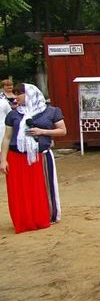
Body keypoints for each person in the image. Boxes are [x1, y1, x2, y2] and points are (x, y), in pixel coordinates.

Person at [0, 83, 66, 234]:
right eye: (15, 94)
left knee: (40, 189)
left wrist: (42, 131)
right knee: (20, 191)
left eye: (19, 94)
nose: (16, 97)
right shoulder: (13, 114)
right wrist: (3, 160)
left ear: (29, 94)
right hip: (17, 157)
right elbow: (7, 138)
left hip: (39, 156)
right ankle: (23, 219)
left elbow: (62, 131)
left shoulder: (50, 111)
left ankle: (45, 216)